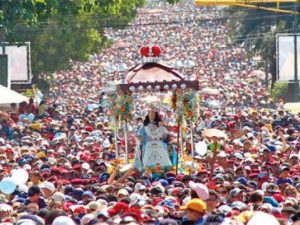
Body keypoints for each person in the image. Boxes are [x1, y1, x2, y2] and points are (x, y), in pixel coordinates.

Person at [134, 106, 172, 171]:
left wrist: (162, 128)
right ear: (148, 115)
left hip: (159, 143)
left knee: (167, 147)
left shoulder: (160, 124)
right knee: (143, 148)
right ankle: (146, 167)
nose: (151, 116)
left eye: (153, 114)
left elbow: (166, 135)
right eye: (150, 114)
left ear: (156, 116)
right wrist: (140, 137)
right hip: (147, 143)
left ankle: (165, 167)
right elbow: (140, 135)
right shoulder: (144, 125)